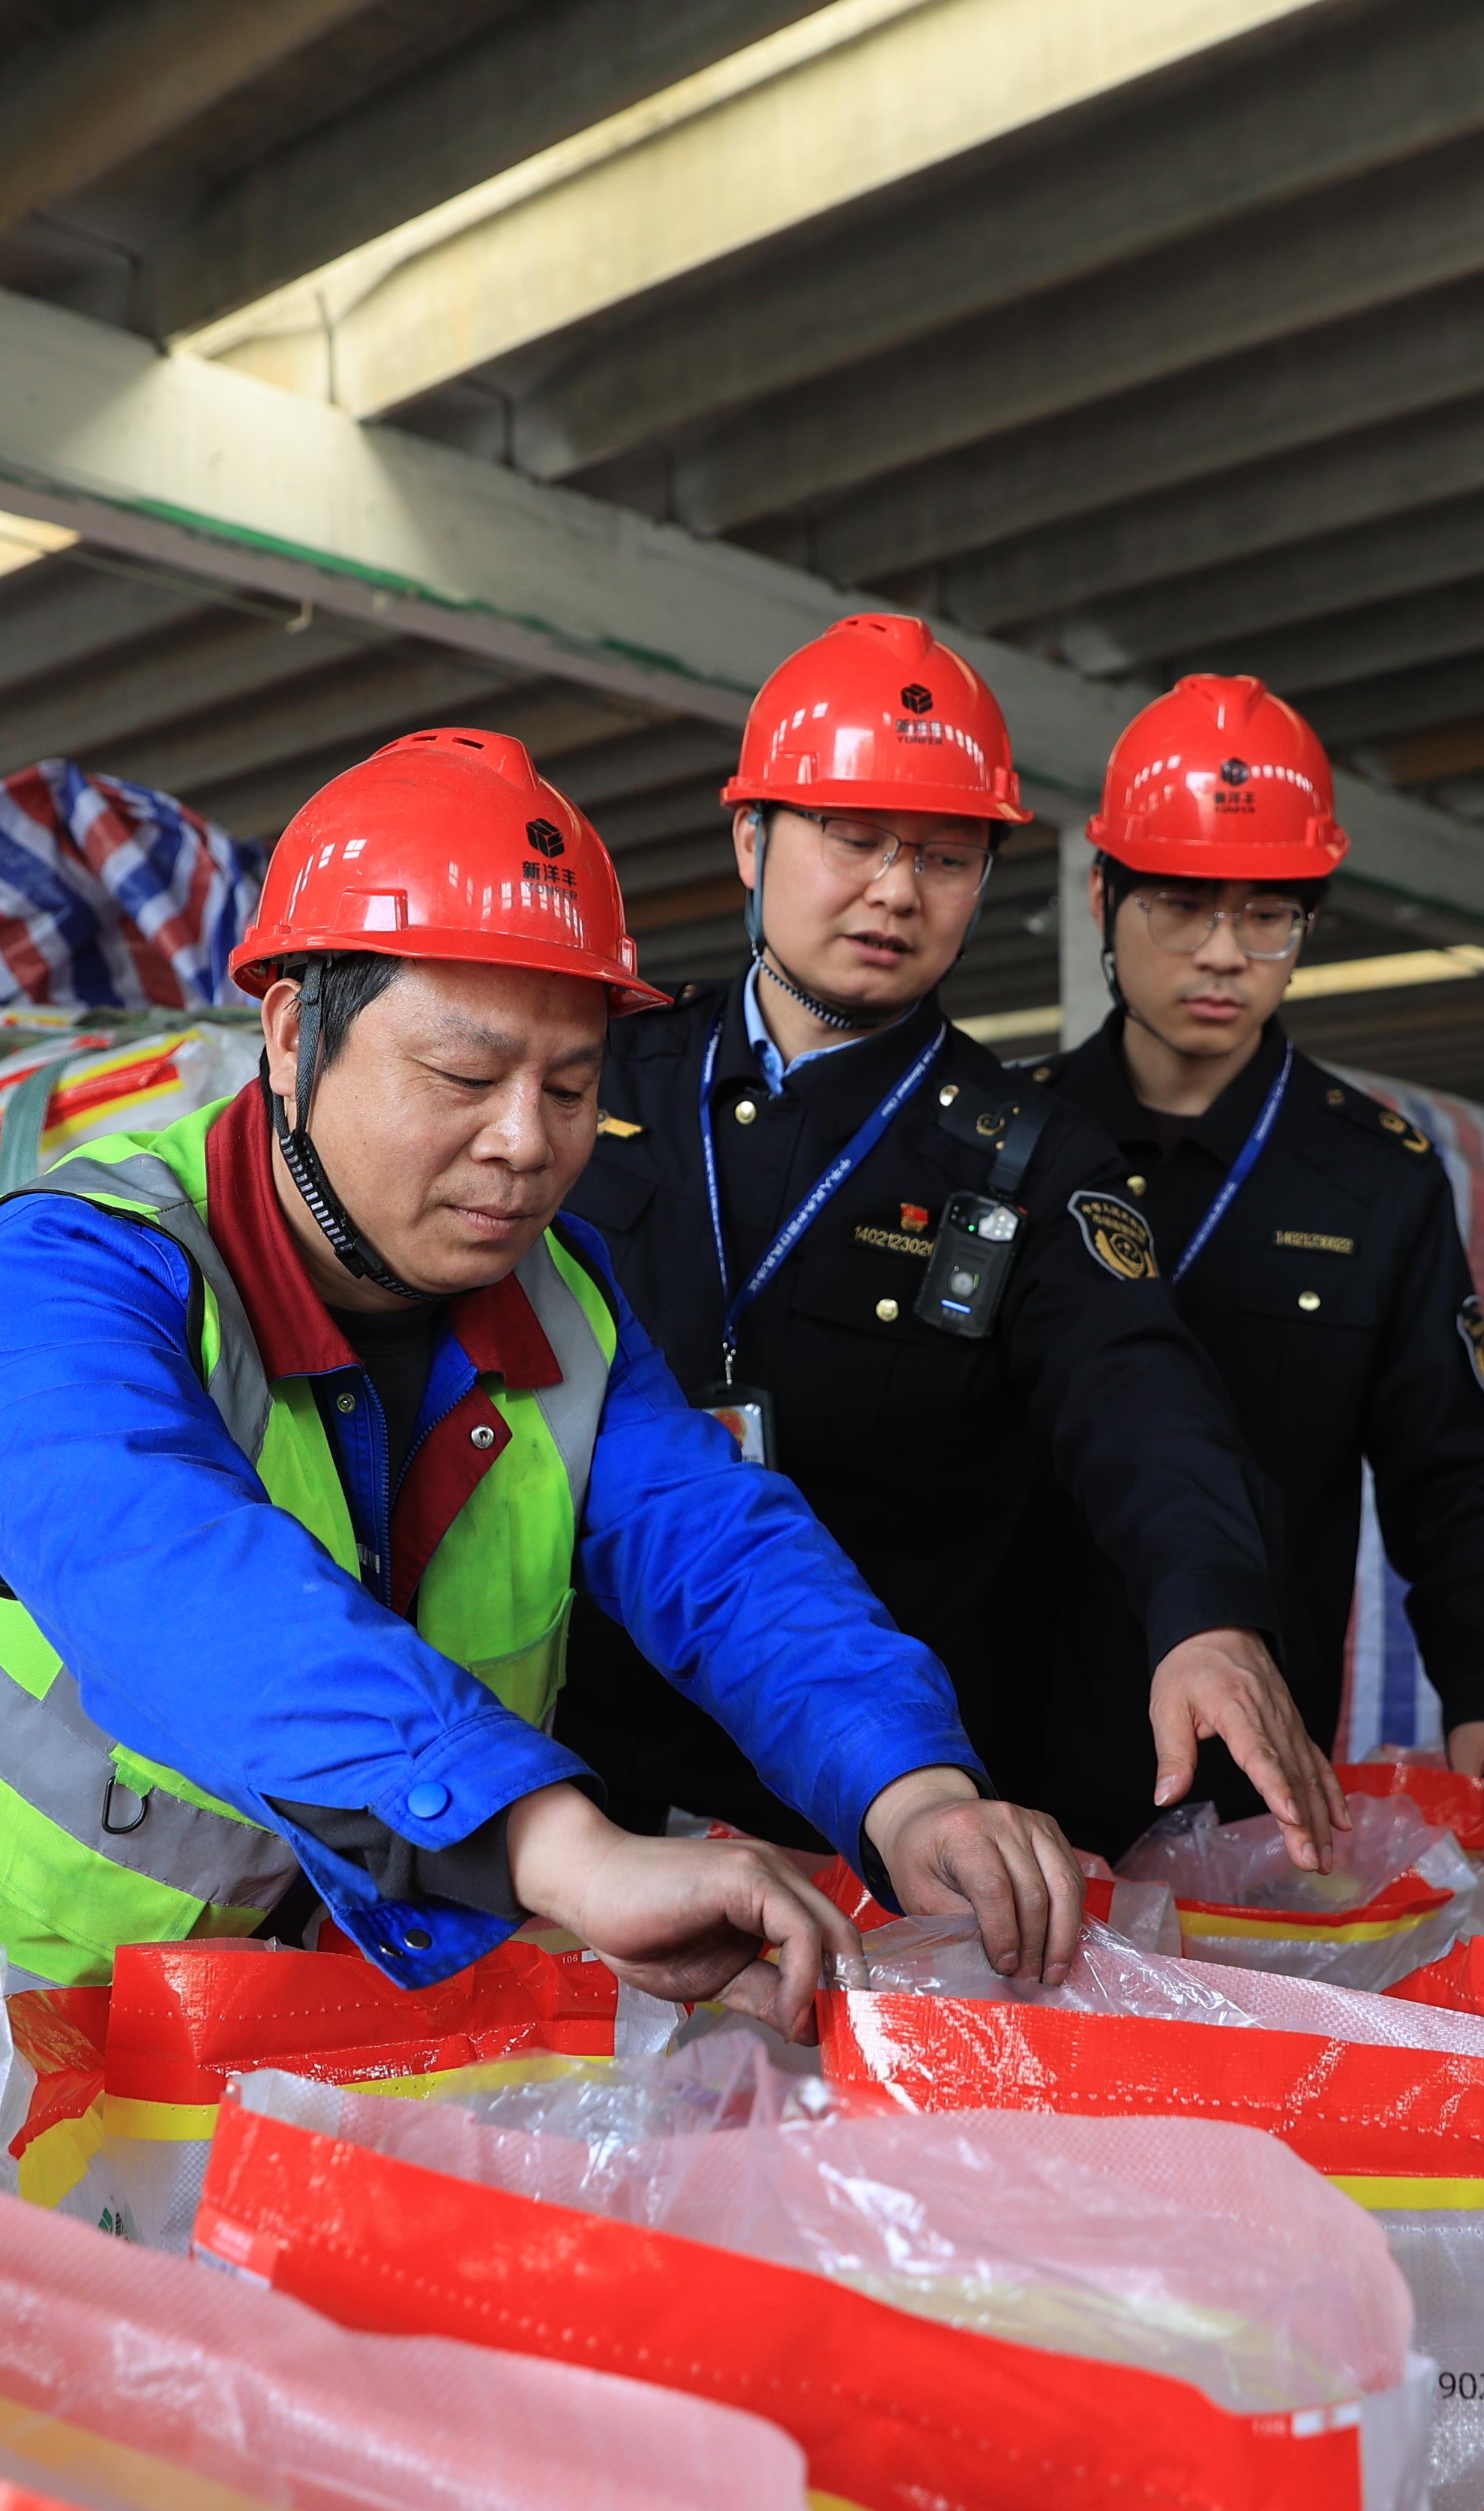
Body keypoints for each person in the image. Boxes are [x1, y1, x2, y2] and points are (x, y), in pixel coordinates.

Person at [0, 728, 1090, 2032]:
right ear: (289, 1036)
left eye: (572, 1090)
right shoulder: (70, 1279)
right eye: (462, 1074)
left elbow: (720, 1553)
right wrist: (558, 1844)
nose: (523, 1143)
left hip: (231, 2035)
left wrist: (909, 1788)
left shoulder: (558, 1300)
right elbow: (178, 1580)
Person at [557, 614, 1342, 1865]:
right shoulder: (592, 1079)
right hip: (575, 1769)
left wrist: (1210, 1617)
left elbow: (1141, 1398)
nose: (893, 891)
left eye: (943, 856)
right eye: (854, 839)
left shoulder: (1029, 1158)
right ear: (752, 837)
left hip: (873, 1818)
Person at [1030, 674, 1484, 1853]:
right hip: (1007, 1753)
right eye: (1181, 905)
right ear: (1101, 896)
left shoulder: (1373, 1178)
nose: (1225, 954)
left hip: (1249, 1773)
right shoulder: (1014, 1143)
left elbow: (1455, 1469)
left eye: (1269, 914)